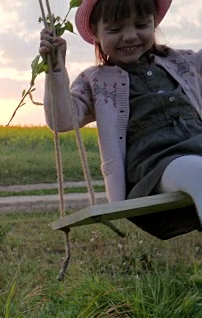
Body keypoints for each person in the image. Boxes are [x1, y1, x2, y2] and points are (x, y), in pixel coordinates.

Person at [39, 0, 202, 239]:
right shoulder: (96, 81)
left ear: (154, 23)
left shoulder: (182, 63)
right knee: (197, 171)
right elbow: (62, 119)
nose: (130, 36)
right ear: (95, 32)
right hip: (155, 166)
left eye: (141, 25)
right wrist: (55, 70)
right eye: (115, 29)